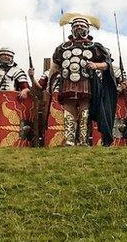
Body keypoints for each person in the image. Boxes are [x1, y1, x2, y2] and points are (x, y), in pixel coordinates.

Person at [48, 13, 117, 146]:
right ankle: (69, 141)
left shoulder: (95, 47)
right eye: (76, 25)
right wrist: (50, 82)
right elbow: (55, 66)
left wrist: (96, 65)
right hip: (68, 81)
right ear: (72, 29)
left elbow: (107, 64)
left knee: (85, 111)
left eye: (82, 25)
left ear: (88, 29)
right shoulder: (62, 48)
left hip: (87, 82)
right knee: (68, 109)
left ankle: (83, 140)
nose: (79, 27)